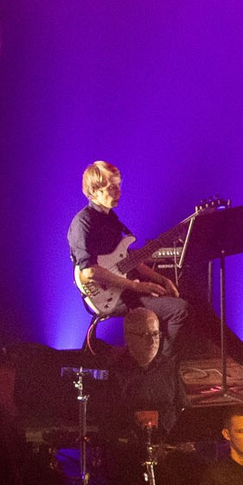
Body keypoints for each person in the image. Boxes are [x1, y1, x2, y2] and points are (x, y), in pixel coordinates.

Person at [69, 159, 189, 339]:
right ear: (94, 192)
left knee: (192, 302)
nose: (119, 192)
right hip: (111, 296)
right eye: (112, 188)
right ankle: (159, 366)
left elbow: (127, 261)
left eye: (118, 186)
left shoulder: (111, 220)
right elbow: (90, 271)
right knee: (179, 310)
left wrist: (163, 280)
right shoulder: (83, 222)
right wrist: (137, 286)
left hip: (126, 288)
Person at [97, 304, 183, 439]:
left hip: (166, 444)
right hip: (128, 448)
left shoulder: (168, 366)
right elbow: (107, 420)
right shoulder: (115, 372)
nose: (152, 341)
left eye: (155, 334)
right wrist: (137, 419)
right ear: (128, 339)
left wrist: (162, 420)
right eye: (146, 335)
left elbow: (181, 407)